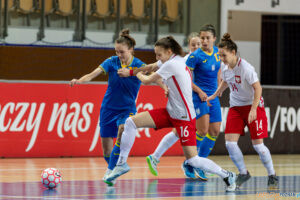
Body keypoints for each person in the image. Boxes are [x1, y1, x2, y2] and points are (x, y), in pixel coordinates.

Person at [104, 36, 237, 192]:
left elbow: (147, 80)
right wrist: (137, 68)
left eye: (159, 54)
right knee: (130, 123)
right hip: (170, 112)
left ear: (168, 51)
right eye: (156, 54)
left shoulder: (173, 65)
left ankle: (227, 175)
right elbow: (151, 66)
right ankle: (121, 164)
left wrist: (131, 72)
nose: (157, 58)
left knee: (193, 159)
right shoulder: (170, 60)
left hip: (184, 117)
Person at [146, 25, 222, 180]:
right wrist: (139, 70)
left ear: (213, 39)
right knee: (198, 130)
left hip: (212, 98)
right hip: (195, 97)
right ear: (189, 46)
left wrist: (219, 86)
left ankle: (187, 161)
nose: (199, 45)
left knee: (213, 131)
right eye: (195, 43)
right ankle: (192, 163)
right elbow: (164, 69)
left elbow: (218, 70)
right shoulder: (190, 58)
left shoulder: (216, 53)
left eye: (201, 41)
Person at [70, 29, 146, 182]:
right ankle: (113, 170)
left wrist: (165, 87)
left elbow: (151, 77)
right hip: (108, 108)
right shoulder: (111, 61)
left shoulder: (138, 65)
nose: (119, 55)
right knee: (106, 149)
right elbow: (92, 74)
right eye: (116, 51)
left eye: (122, 52)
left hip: (127, 109)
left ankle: (113, 169)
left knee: (122, 129)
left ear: (131, 49)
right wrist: (79, 80)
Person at [207, 33, 278, 189]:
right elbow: (226, 80)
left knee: (258, 146)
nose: (221, 58)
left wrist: (253, 109)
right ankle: (243, 173)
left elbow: (258, 88)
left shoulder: (246, 68)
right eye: (219, 56)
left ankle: (272, 175)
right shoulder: (224, 67)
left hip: (253, 106)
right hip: (236, 108)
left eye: (223, 55)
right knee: (230, 144)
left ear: (233, 53)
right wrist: (216, 92)